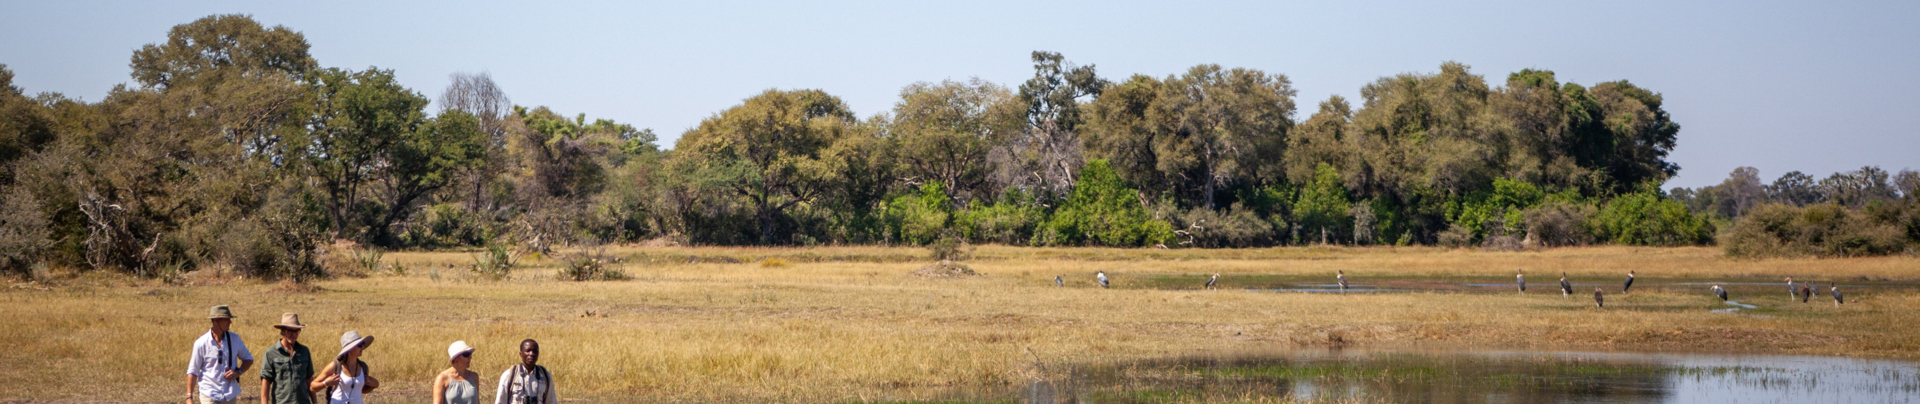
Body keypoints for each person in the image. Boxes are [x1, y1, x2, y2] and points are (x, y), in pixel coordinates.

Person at [187, 306, 254, 404]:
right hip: (209, 393)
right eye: (226, 319)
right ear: (216, 321)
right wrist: (189, 397)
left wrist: (238, 372)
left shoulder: (235, 339)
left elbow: (248, 359)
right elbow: (193, 371)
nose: (230, 322)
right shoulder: (201, 343)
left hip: (229, 394)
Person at [259, 313, 315, 404]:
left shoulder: (304, 351)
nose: (294, 334)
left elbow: (309, 379)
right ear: (282, 331)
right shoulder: (271, 353)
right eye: (290, 331)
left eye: (297, 331)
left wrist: (315, 402)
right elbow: (266, 381)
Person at [311, 331, 379, 404]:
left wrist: (374, 385)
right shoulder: (335, 366)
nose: (362, 347)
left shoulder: (363, 366)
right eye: (359, 345)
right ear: (350, 348)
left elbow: (362, 390)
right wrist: (326, 383)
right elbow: (312, 387)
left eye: (363, 344)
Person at [494, 339, 555, 404]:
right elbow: (500, 402)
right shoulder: (509, 375)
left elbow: (551, 401)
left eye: (535, 351)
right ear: (521, 354)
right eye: (528, 351)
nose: (531, 354)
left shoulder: (545, 376)